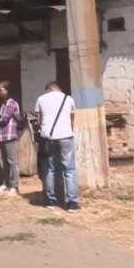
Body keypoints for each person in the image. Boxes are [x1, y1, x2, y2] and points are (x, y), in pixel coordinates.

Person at [34, 82, 80, 211]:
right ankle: (72, 203)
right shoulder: (69, 99)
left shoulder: (41, 99)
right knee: (69, 170)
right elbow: (72, 118)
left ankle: (51, 200)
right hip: (66, 136)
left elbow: (39, 119)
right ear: (59, 89)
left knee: (49, 169)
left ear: (47, 90)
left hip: (48, 138)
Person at [0, 81, 22, 196]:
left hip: (10, 135)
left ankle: (14, 186)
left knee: (12, 161)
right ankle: (6, 183)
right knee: (5, 161)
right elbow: (0, 119)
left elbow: (4, 119)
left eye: (1, 89)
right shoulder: (4, 104)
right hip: (3, 135)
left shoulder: (11, 103)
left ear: (7, 90)